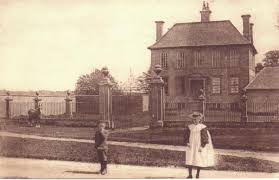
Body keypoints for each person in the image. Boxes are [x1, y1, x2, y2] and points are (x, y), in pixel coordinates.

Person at [184, 112, 215, 179]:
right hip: (191, 145)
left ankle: (197, 174)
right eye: (193, 119)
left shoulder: (202, 127)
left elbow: (205, 138)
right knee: (190, 158)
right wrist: (187, 142)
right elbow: (186, 136)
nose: (195, 121)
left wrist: (202, 146)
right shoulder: (190, 127)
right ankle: (190, 174)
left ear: (199, 120)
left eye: (196, 119)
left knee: (199, 159)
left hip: (198, 145)